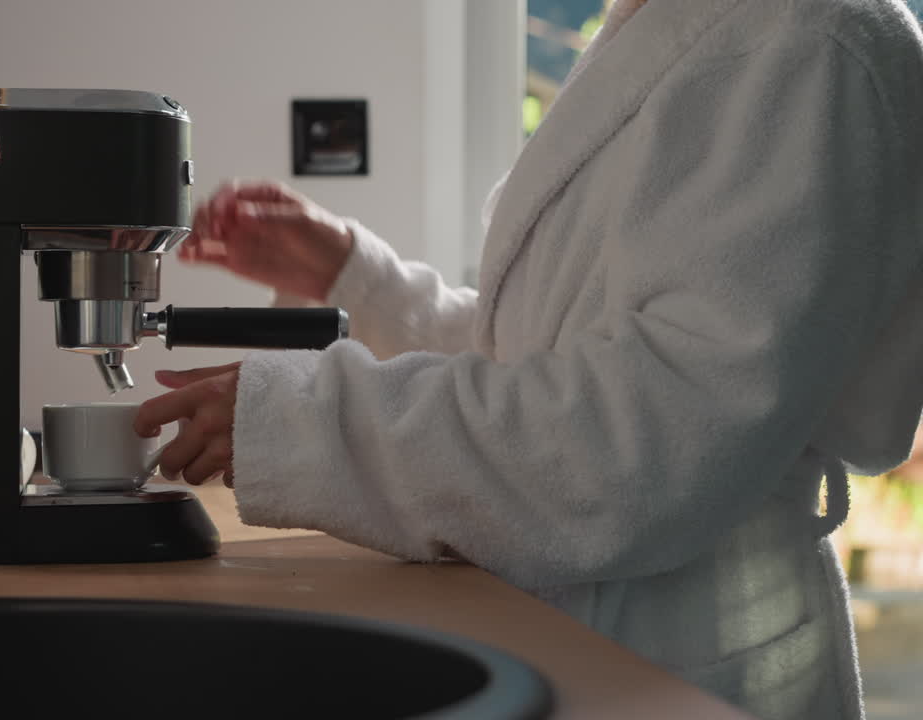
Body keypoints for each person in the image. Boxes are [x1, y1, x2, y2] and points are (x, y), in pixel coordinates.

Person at [133, 1, 923, 717]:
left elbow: (646, 442)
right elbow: (551, 355)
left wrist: (309, 421)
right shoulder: (674, 29)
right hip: (592, 636)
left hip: (680, 662)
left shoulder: (812, 43)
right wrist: (355, 280)